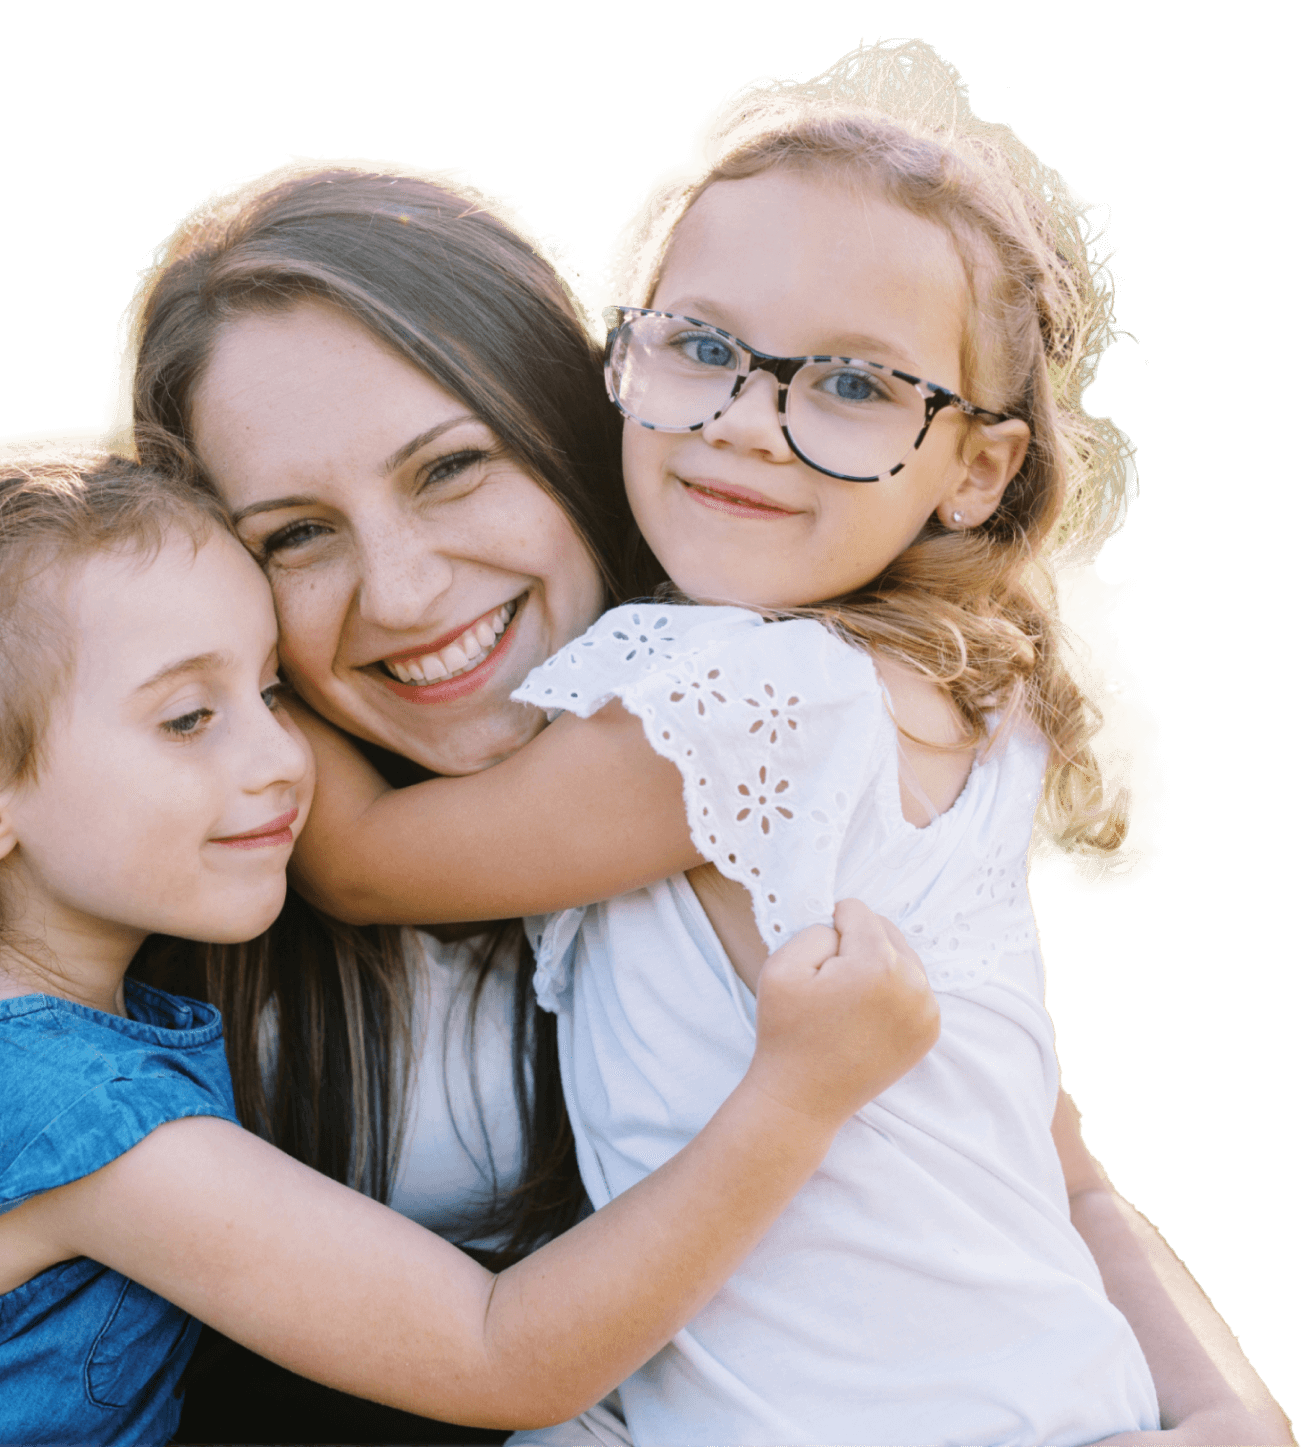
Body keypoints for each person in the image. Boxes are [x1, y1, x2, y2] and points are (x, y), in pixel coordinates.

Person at [0, 136, 1289, 1443]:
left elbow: (1034, 1155)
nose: (401, 593)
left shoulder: (756, 764)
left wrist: (1219, 1418)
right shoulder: (154, 864)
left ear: (583, 415)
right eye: (293, 535)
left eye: (454, 466)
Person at [279, 45, 1291, 1446]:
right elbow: (1061, 1171)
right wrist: (1222, 1407)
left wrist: (210, 604)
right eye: (701, 347)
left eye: (856, 387)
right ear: (622, 355)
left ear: (976, 469)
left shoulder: (754, 701)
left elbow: (367, 863)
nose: (750, 425)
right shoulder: (955, 703)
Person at [0, 433, 940, 1444]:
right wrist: (797, 1093)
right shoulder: (74, 1121)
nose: (283, 762)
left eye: (272, 690)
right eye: (189, 717)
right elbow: (499, 1354)